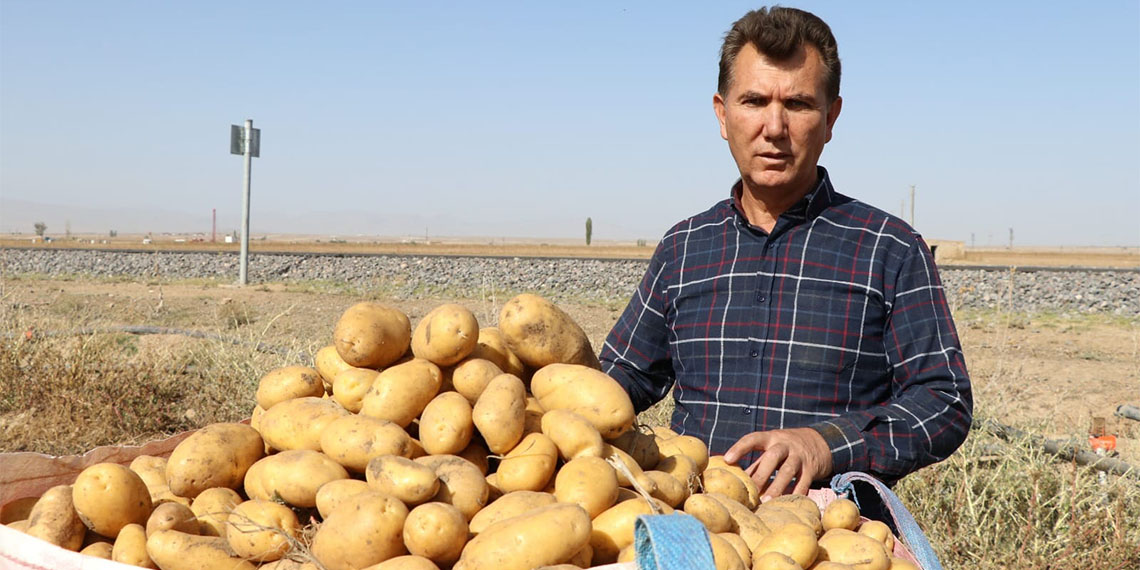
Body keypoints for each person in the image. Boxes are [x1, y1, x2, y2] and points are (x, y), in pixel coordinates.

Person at [599, 6, 972, 500]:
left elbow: (943, 400)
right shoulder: (683, 248)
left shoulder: (890, 249)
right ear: (722, 113)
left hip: (833, 529)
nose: (774, 127)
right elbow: (622, 376)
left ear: (831, 117)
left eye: (797, 104)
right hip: (698, 519)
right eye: (753, 101)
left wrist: (826, 445)